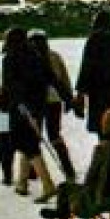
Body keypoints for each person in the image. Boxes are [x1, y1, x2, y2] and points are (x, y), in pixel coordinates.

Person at [40, 107, 110, 219]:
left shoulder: (104, 146)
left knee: (64, 187)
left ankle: (62, 213)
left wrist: (84, 194)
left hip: (105, 199)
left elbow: (91, 176)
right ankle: (64, 211)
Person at [0, 25, 59, 202]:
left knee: (27, 144)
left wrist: (16, 103)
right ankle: (22, 183)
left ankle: (48, 184)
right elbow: (48, 78)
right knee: (28, 142)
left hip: (20, 108)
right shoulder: (36, 56)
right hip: (37, 107)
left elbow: (11, 85)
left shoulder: (10, 58)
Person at [28, 28, 77, 181]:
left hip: (36, 102)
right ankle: (68, 167)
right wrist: (68, 98)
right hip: (54, 101)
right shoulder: (54, 56)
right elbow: (64, 78)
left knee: (35, 135)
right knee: (54, 134)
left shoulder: (29, 58)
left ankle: (33, 170)